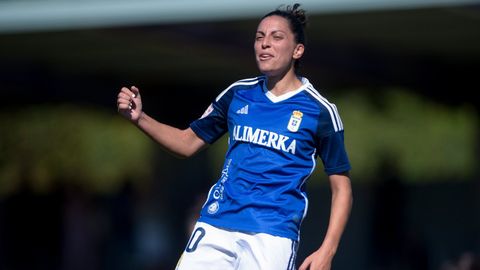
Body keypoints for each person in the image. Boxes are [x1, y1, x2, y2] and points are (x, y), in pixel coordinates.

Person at [116, 3, 352, 270]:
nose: (265, 44)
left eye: (276, 37)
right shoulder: (237, 94)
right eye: (259, 37)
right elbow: (186, 143)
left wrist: (327, 250)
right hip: (217, 223)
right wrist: (140, 118)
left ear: (297, 50)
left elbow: (342, 188)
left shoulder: (320, 111)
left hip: (272, 234)